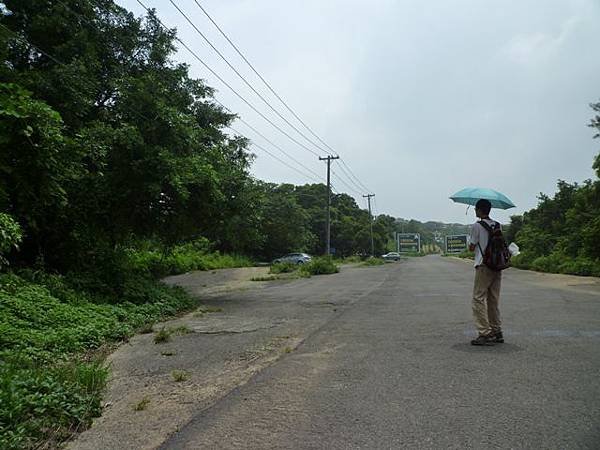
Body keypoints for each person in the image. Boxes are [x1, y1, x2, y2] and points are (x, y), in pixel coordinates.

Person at [468, 199, 504, 346]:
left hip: (483, 265)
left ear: (479, 210)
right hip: (497, 266)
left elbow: (472, 247)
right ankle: (497, 331)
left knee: (478, 298)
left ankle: (484, 332)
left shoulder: (477, 226)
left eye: (476, 209)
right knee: (493, 300)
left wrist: (471, 243)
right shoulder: (497, 225)